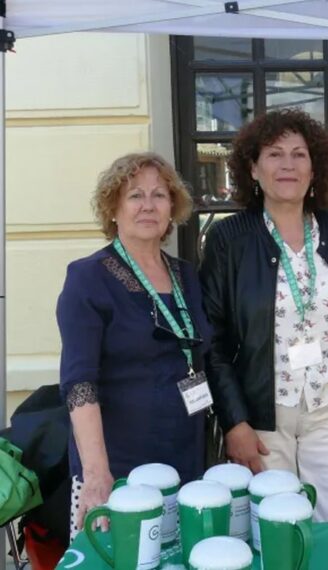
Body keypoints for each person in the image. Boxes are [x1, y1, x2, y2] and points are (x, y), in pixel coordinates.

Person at [199, 109, 328, 522]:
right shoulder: (228, 240)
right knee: (273, 529)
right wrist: (235, 423)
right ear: (252, 167)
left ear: (314, 168)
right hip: (262, 419)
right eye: (274, 154)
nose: (288, 165)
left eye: (299, 154)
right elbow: (211, 343)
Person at [58, 153, 211, 536]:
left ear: (172, 209)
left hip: (186, 460)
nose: (148, 205)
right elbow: (79, 383)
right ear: (113, 209)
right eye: (134, 196)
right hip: (118, 471)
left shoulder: (186, 275)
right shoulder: (88, 277)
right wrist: (96, 474)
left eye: (159, 195)